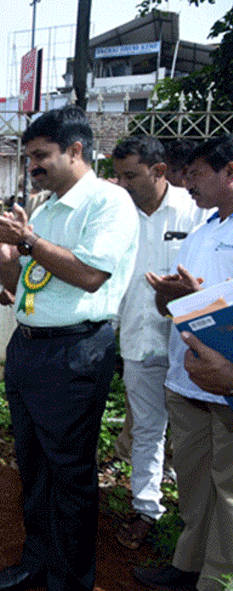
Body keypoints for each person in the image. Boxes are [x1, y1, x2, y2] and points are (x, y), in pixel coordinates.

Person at [0, 106, 138, 591]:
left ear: (75, 151)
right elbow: (19, 287)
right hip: (28, 350)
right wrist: (7, 253)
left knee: (69, 473)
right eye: (29, 158)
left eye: (42, 156)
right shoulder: (45, 210)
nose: (33, 166)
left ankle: (70, 585)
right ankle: (38, 562)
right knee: (35, 467)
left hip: (75, 353)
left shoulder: (108, 204)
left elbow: (90, 275)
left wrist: (26, 239)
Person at [136, 135, 233, 591]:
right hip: (188, 381)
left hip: (227, 383)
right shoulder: (202, 231)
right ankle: (187, 564)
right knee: (195, 484)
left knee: (229, 490)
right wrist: (170, 294)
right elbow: (170, 307)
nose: (186, 183)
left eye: (196, 173)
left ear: (229, 173)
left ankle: (216, 583)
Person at [110, 135, 207, 551]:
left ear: (159, 170)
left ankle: (196, 518)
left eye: (130, 175)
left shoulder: (195, 210)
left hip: (190, 341)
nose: (123, 183)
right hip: (138, 335)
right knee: (148, 426)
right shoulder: (118, 215)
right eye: (118, 176)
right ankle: (147, 509)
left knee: (194, 432)